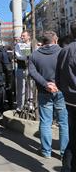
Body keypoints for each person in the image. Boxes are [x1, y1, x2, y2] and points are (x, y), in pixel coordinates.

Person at [28, 31, 68, 159]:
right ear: (55, 40)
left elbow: (32, 72)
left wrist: (46, 84)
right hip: (61, 91)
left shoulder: (34, 55)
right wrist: (57, 84)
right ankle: (64, 153)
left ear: (43, 41)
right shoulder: (63, 52)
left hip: (44, 91)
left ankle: (46, 152)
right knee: (63, 123)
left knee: (45, 122)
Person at [56, 21, 76, 171]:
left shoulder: (64, 50)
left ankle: (67, 167)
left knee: (73, 135)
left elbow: (58, 77)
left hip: (69, 100)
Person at [15, 31, 32, 112]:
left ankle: (30, 104)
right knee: (21, 87)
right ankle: (20, 106)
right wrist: (27, 54)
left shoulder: (33, 44)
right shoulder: (18, 45)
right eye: (21, 36)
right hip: (21, 68)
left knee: (30, 86)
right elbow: (20, 56)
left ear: (29, 36)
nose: (22, 37)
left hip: (30, 68)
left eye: (24, 36)